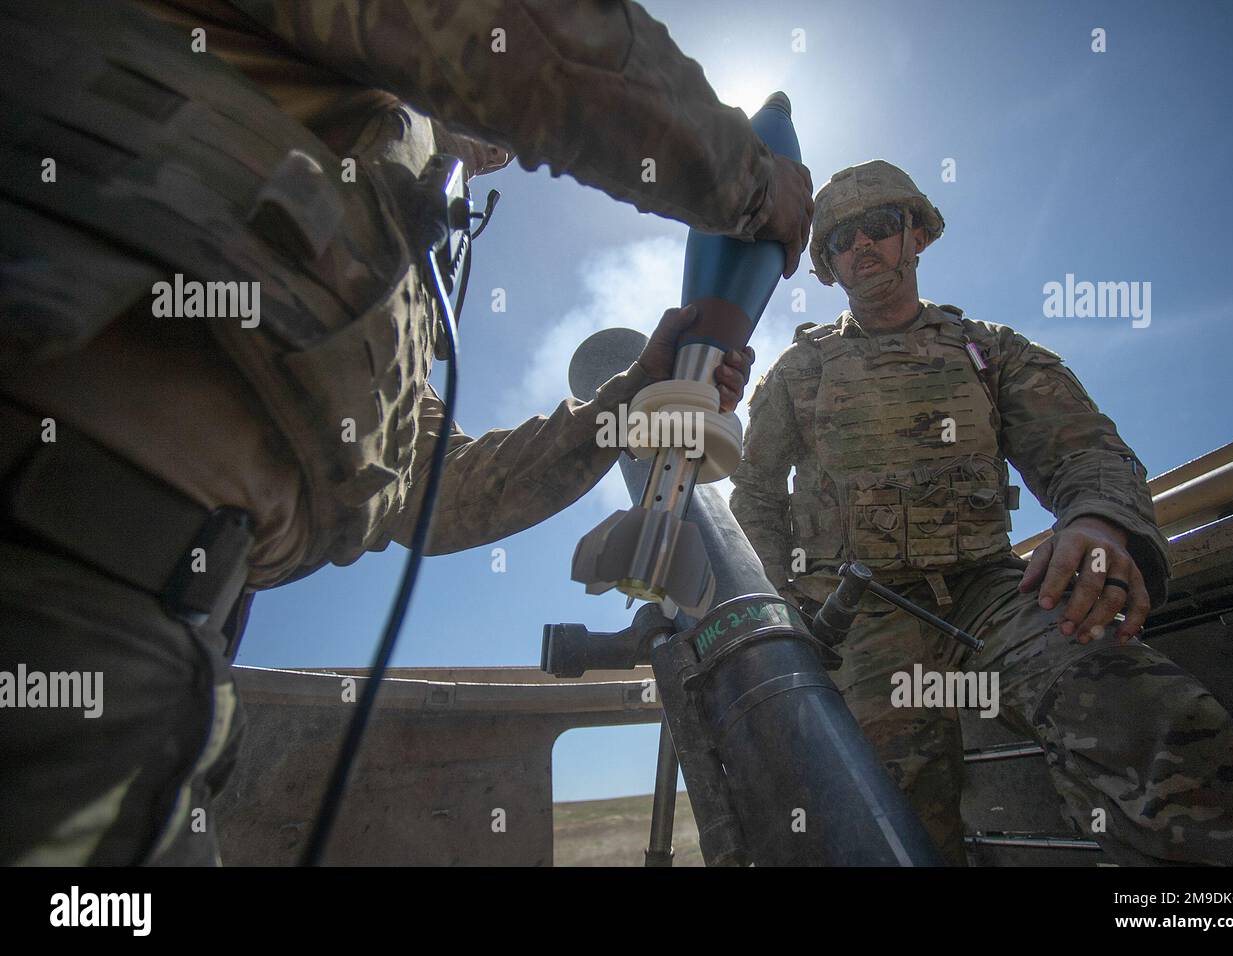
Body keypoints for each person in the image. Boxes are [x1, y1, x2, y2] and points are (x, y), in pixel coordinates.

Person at [0, 0, 813, 864]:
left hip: (160, 644)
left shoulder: (367, 220)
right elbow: (515, 31)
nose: (496, 157)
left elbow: (442, 489)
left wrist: (638, 393)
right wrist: (753, 184)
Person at [729, 160, 1233, 865]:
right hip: (853, 615)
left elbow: (1084, 451)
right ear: (828, 264)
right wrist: (784, 610)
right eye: (841, 238)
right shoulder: (798, 372)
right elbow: (754, 496)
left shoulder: (990, 352)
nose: (860, 246)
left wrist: (1096, 523)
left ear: (918, 235)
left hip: (989, 592)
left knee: (1148, 719)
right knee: (877, 821)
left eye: (878, 226)